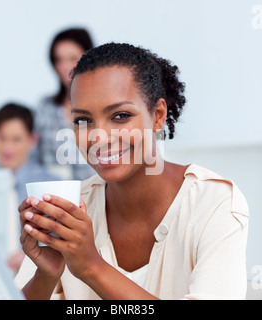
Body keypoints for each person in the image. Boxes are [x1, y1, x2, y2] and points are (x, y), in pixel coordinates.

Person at [16, 43, 249, 300]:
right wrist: (45, 275)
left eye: (120, 116)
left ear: (158, 115)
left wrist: (91, 266)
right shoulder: (72, 209)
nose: (99, 138)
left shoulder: (213, 203)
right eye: (83, 120)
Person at [0, 103, 57, 273]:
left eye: (16, 140)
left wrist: (29, 258)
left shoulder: (50, 186)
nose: (7, 148)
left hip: (35, 275)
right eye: (2, 138)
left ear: (32, 140)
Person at [34, 28, 95, 180]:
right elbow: (30, 156)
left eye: (73, 58)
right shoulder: (45, 108)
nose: (65, 67)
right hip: (55, 199)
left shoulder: (107, 106)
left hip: (100, 197)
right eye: (59, 60)